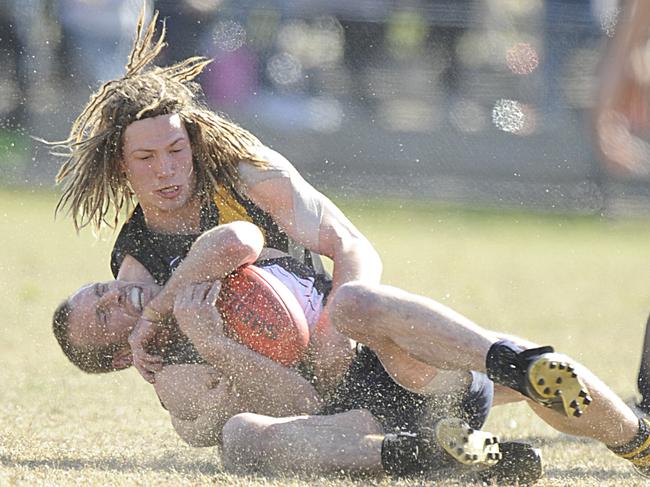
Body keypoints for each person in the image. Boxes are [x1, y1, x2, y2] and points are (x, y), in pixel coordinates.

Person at [54, 221, 538, 484]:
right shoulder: (175, 377)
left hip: (419, 370)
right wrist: (214, 345)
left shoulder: (195, 269)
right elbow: (300, 404)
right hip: (371, 421)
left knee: (379, 312)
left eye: (100, 289)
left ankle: (536, 376)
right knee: (241, 439)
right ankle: (433, 457)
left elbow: (238, 238)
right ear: (121, 358)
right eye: (102, 317)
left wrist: (165, 306)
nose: (112, 296)